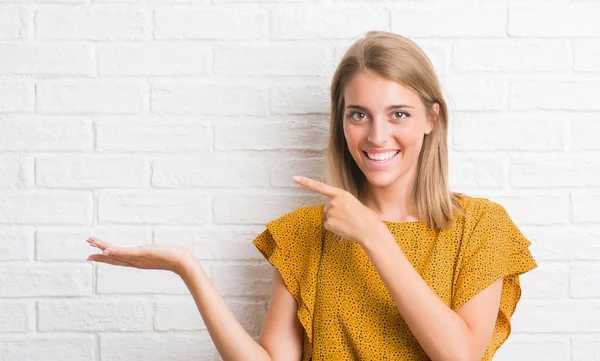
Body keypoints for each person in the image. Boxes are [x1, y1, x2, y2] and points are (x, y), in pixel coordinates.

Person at [86, 31, 538, 361]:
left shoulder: (481, 226)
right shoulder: (306, 233)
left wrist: (374, 236)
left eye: (398, 113)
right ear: (341, 122)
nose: (377, 136)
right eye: (358, 115)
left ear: (431, 119)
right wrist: (187, 269)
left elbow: (457, 355)